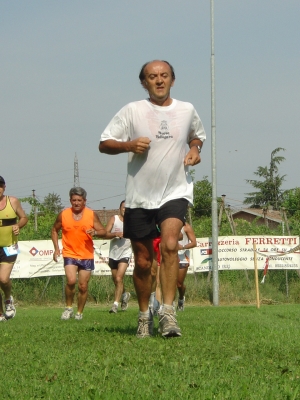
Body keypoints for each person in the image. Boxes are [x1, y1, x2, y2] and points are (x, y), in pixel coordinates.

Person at [99, 60, 206, 338]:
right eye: (152, 77)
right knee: (144, 262)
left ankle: (168, 315)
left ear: (172, 79)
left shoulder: (186, 110)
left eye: (164, 76)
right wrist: (129, 145)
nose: (159, 81)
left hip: (175, 191)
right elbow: (104, 142)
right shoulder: (132, 110)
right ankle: (144, 315)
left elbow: (197, 136)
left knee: (171, 245)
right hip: (140, 196)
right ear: (143, 82)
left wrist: (195, 150)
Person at [51, 187, 106, 320]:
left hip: (86, 255)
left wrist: (96, 233)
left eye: (79, 200)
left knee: (83, 286)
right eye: (74, 200)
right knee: (71, 281)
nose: (76, 203)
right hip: (69, 253)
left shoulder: (91, 215)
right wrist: (56, 248)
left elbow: (103, 231)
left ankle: (79, 313)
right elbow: (54, 230)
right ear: (70, 200)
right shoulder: (63, 214)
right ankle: (68, 308)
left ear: (84, 201)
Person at [0, 176, 28, 321]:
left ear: (4, 187)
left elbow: (24, 217)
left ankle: (8, 300)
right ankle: (0, 315)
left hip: (10, 246)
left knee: (3, 279)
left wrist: (18, 225)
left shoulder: (13, 201)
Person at [105, 200, 132, 313]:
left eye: (127, 208)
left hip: (126, 253)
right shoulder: (114, 219)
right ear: (120, 208)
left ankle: (115, 305)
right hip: (113, 254)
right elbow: (105, 234)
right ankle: (125, 294)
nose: (125, 209)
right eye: (123, 207)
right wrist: (115, 234)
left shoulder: (133, 222)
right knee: (116, 281)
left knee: (119, 278)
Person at [177, 222, 197, 311]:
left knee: (179, 283)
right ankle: (168, 305)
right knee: (169, 281)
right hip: (170, 255)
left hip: (182, 256)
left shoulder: (186, 226)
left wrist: (183, 247)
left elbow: (194, 243)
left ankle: (181, 299)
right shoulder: (167, 223)